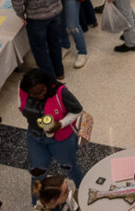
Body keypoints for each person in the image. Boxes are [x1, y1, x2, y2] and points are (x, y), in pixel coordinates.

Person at [19, 70, 84, 198]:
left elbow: (77, 110)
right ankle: (38, 202)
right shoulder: (23, 90)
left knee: (69, 166)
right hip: (35, 138)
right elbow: (21, 105)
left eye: (42, 91)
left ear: (47, 84)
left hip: (61, 139)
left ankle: (82, 189)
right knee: (37, 172)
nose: (39, 96)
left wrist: (60, 124)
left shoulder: (61, 93)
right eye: (34, 94)